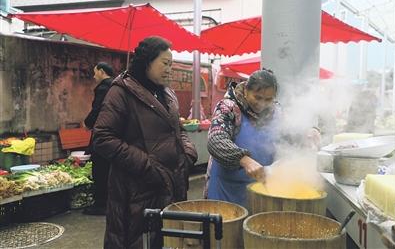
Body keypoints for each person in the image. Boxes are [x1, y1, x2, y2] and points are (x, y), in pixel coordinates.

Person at [92, 36, 198, 248]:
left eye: (171, 64)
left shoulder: (166, 93)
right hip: (136, 190)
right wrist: (147, 165)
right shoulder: (121, 91)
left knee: (165, 239)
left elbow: (177, 128)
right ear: (147, 61)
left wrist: (188, 152)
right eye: (165, 63)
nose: (170, 69)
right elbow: (102, 137)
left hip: (170, 184)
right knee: (136, 240)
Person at [204, 69, 279, 207]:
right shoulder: (228, 107)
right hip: (226, 191)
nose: (262, 104)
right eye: (257, 97)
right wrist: (243, 159)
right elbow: (216, 140)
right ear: (245, 91)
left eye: (268, 99)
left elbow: (292, 133)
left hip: (260, 191)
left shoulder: (276, 113)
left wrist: (310, 131)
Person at [83, 62, 114, 215]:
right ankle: (109, 202)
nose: (94, 76)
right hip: (115, 136)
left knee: (99, 170)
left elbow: (98, 110)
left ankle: (100, 205)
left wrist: (88, 123)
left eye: (95, 72)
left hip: (102, 136)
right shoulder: (117, 87)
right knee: (108, 170)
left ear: (102, 71)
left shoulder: (103, 88)